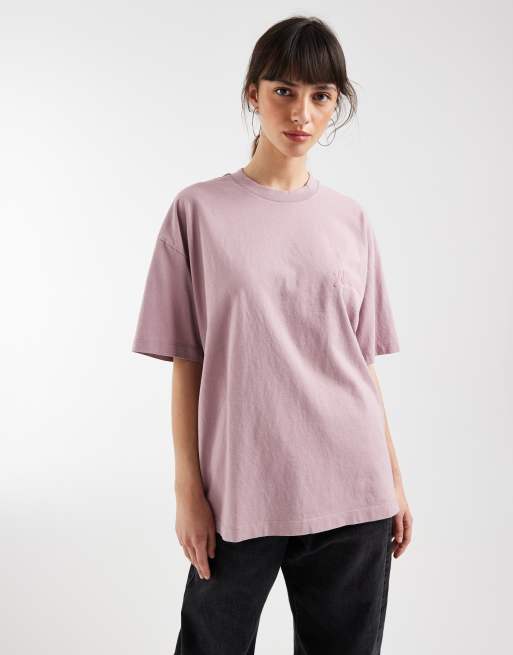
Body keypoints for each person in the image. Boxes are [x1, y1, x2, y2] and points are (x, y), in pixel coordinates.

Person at [132, 14, 413, 655]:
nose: (301, 113)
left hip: (353, 487)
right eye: (283, 90)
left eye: (321, 95)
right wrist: (188, 491)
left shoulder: (350, 220)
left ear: (336, 104)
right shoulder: (198, 211)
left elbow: (359, 362)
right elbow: (187, 358)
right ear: (252, 94)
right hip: (241, 492)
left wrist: (393, 478)